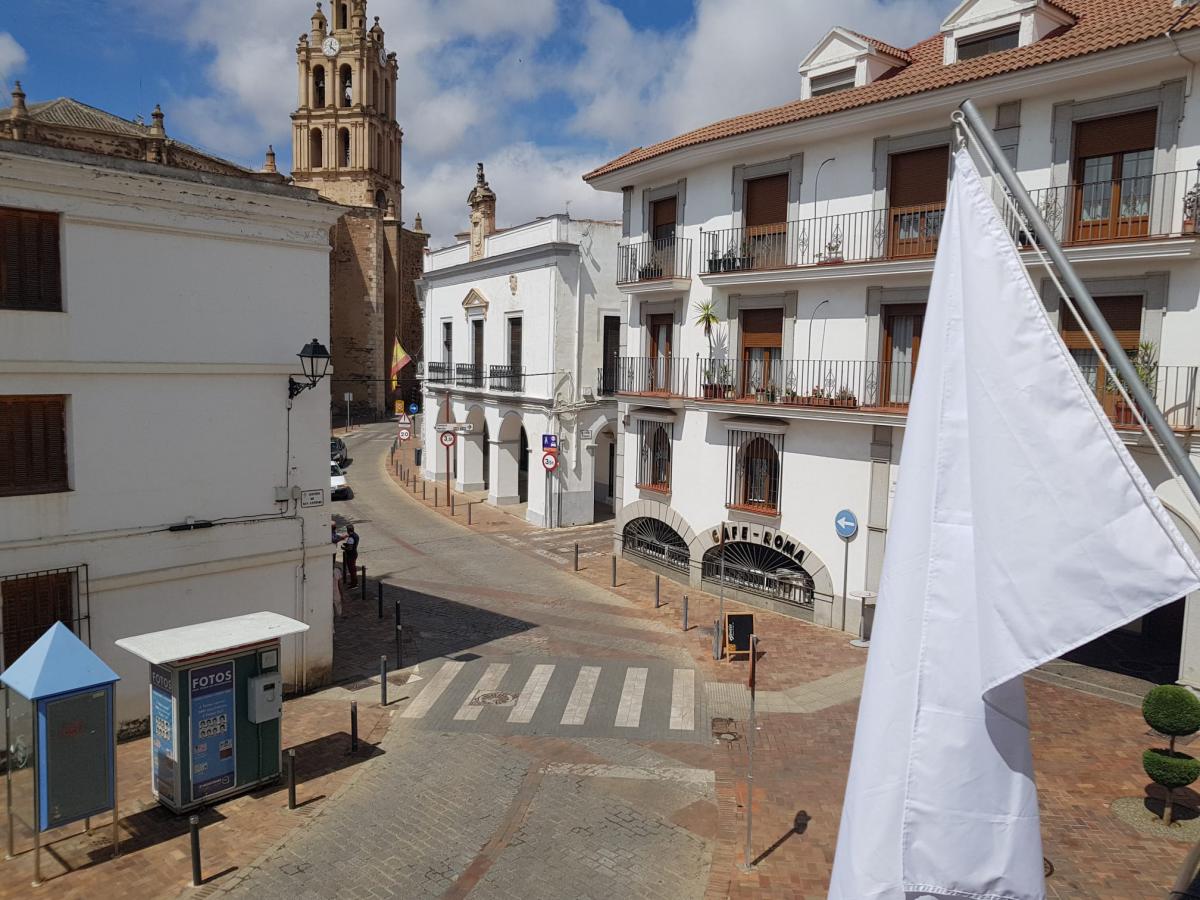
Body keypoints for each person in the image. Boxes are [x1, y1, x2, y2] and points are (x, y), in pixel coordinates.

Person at [342, 523, 360, 587]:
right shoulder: (356, 535)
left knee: (352, 570)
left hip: (351, 555)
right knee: (353, 569)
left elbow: (350, 548)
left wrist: (344, 548)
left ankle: (354, 583)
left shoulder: (351, 538)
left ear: (348, 530)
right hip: (354, 554)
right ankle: (354, 582)